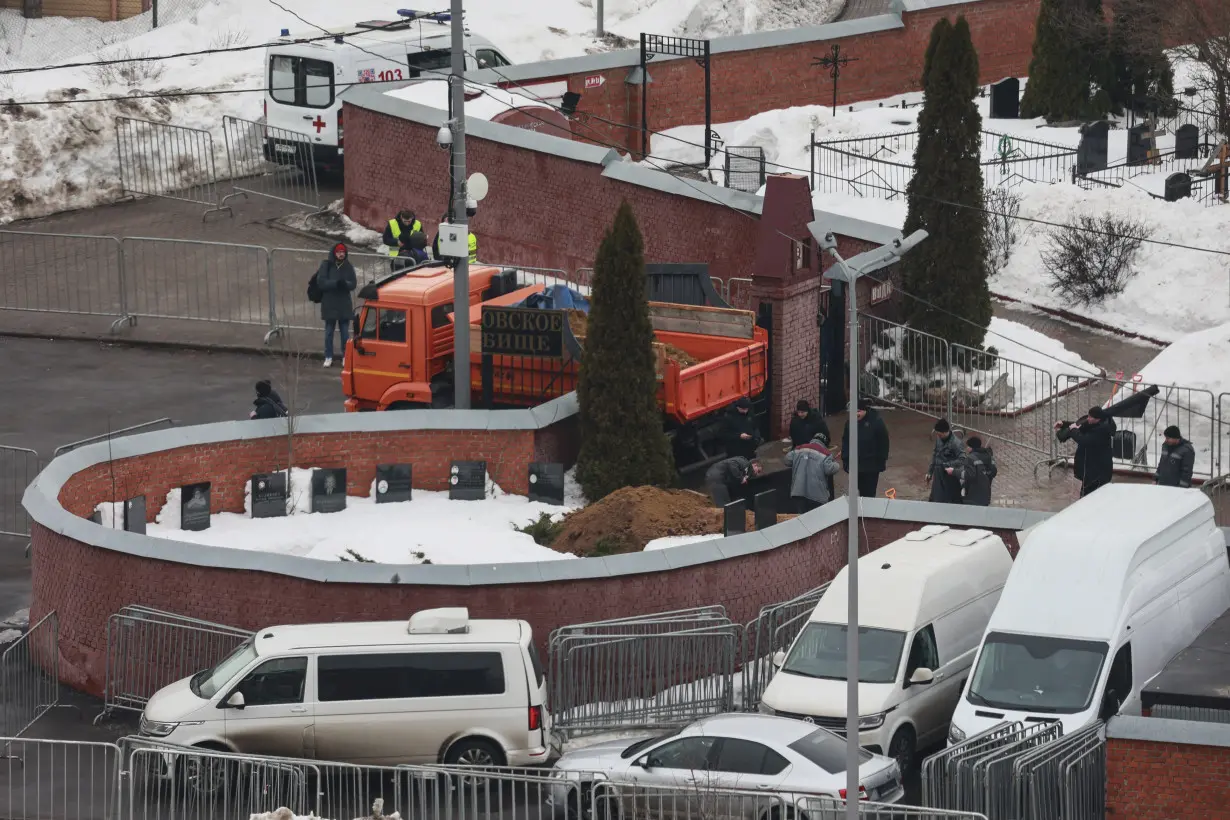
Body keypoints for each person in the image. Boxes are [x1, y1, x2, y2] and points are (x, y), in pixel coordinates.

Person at [1055, 406, 1116, 497]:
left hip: (1098, 472)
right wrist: (1064, 424)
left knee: (1090, 496)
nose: (1088, 418)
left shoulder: (1101, 430)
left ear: (1098, 419)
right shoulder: (1093, 424)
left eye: (1090, 417)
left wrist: (1073, 430)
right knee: (1087, 494)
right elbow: (1079, 425)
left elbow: (1083, 440)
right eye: (1088, 416)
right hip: (1091, 470)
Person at [317, 243, 357, 367]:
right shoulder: (326, 265)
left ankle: (345, 356)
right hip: (330, 302)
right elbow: (321, 282)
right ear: (334, 253)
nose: (341, 254)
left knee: (345, 333)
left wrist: (345, 284)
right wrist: (336, 284)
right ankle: (328, 356)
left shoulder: (348, 266)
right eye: (339, 252)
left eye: (343, 252)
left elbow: (353, 283)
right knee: (329, 332)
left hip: (343, 303)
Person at [841, 399, 891, 498]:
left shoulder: (876, 422)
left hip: (870, 468)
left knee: (868, 495)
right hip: (855, 466)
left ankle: (868, 512)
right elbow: (846, 442)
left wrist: (881, 461)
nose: (856, 414)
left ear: (865, 410)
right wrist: (845, 460)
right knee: (854, 496)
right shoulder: (849, 424)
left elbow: (883, 443)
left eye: (858, 411)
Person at [784, 434, 841, 513]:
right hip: (817, 496)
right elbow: (830, 469)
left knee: (803, 521)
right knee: (818, 522)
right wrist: (835, 463)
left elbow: (787, 460)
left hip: (798, 492)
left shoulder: (799, 449)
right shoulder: (825, 453)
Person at [948, 436, 997, 506]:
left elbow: (969, 475)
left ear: (971, 447)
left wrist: (953, 471)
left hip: (973, 494)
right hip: (986, 494)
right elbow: (994, 472)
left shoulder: (971, 458)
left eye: (967, 446)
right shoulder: (990, 456)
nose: (967, 448)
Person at [925, 419, 965, 504]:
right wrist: (930, 472)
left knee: (950, 500)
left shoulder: (956, 444)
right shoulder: (939, 439)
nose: (938, 436)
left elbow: (962, 460)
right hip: (938, 474)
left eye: (939, 434)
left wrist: (946, 465)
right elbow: (935, 455)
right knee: (936, 498)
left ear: (944, 432)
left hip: (949, 477)